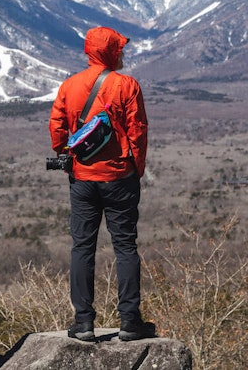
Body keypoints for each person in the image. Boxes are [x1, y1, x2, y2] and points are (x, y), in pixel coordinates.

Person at [48, 26, 154, 342]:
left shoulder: (70, 85)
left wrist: (66, 154)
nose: (122, 53)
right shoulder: (127, 85)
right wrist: (137, 169)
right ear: (110, 52)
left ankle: (83, 323)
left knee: (82, 247)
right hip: (120, 177)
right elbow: (138, 131)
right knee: (124, 247)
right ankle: (130, 322)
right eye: (118, 49)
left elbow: (56, 129)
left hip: (82, 179)